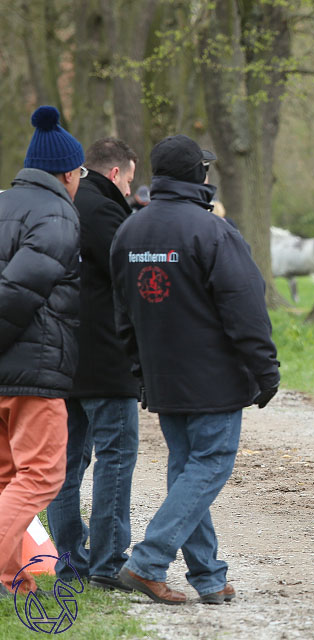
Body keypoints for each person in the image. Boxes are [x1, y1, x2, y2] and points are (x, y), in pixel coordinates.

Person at [110, 134, 280, 605]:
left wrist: (139, 373)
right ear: (196, 176)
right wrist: (266, 372)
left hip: (164, 378)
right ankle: (147, 562)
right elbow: (246, 311)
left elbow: (122, 315)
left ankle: (208, 576)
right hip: (214, 381)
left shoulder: (129, 232)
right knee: (208, 467)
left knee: (188, 470)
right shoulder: (214, 232)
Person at [46, 137, 140, 592]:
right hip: (105, 358)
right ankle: (106, 561)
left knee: (64, 467)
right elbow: (129, 279)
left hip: (60, 359)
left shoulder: (59, 207)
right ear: (117, 173)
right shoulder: (105, 213)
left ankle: (69, 563)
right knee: (116, 459)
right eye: (130, 180)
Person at [0, 106, 84, 596]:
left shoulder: (3, 203)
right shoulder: (56, 215)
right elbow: (19, 292)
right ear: (69, 173)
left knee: (7, 476)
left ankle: (11, 577)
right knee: (41, 476)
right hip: (34, 373)